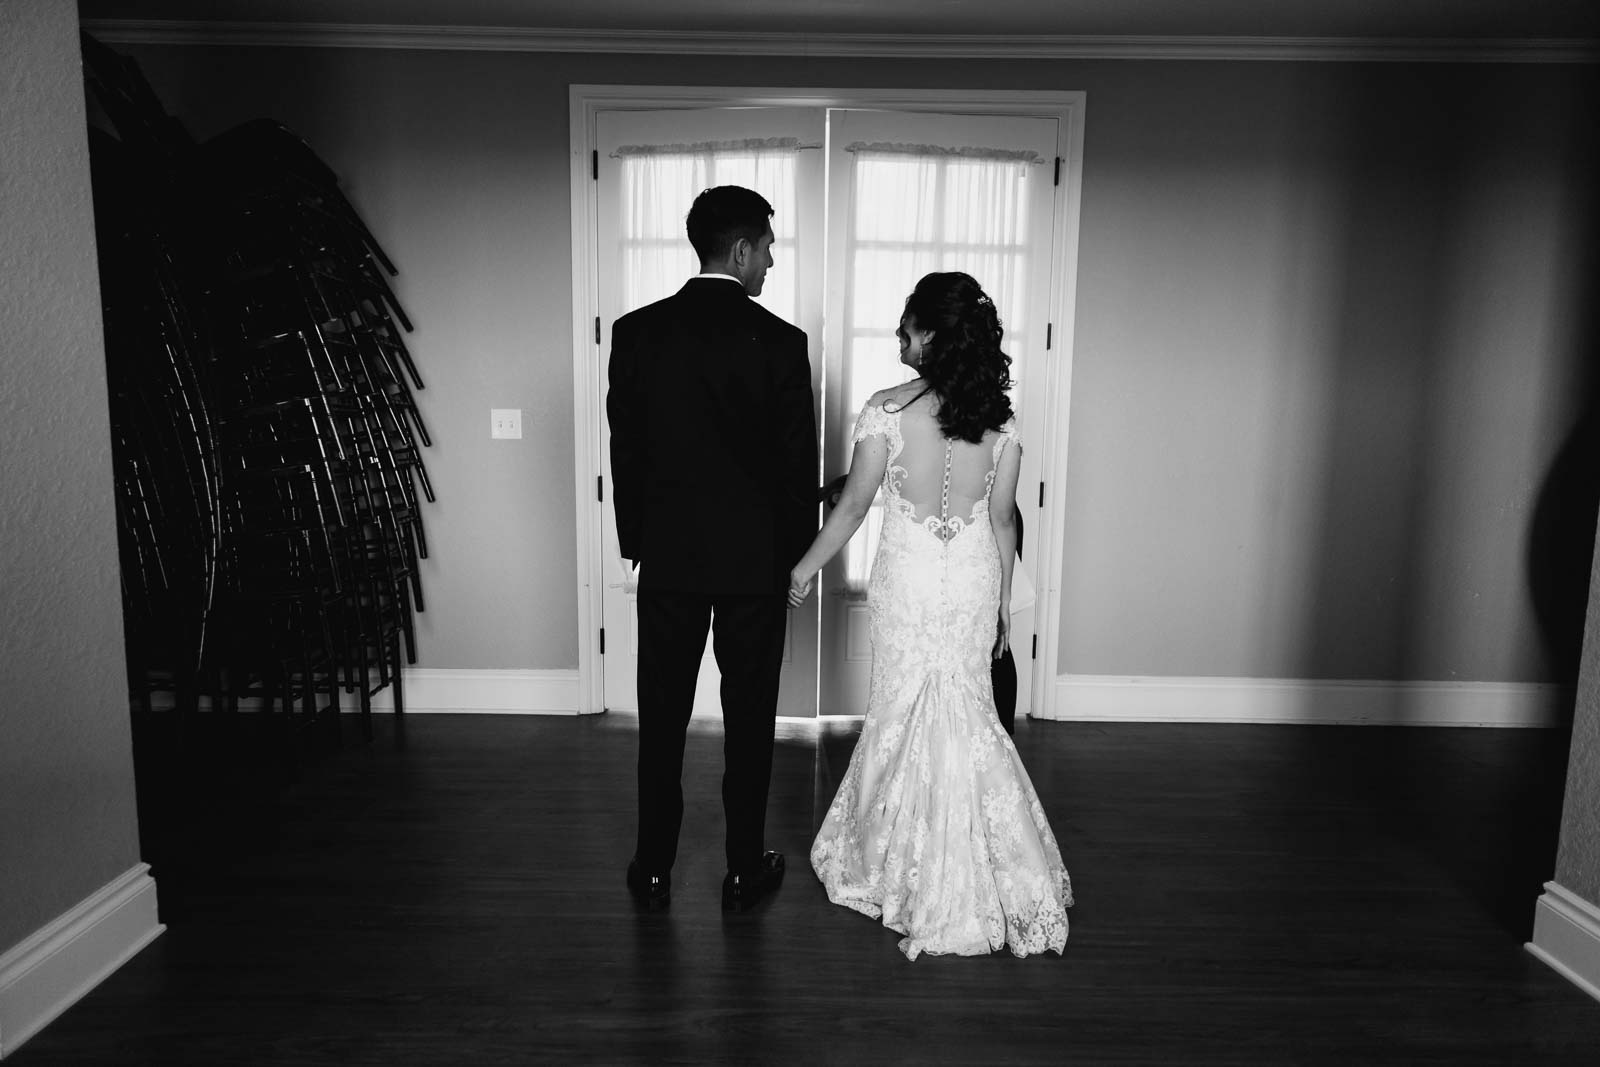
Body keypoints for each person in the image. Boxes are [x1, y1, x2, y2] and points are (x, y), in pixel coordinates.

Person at [789, 271, 1072, 959]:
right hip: (972, 579)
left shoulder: (885, 410)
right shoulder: (1000, 423)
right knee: (970, 714)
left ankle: (902, 865)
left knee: (903, 710)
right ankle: (995, 868)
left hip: (912, 579)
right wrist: (1003, 604)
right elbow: (1002, 522)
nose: (898, 334)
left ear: (933, 336)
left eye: (908, 325)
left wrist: (801, 568)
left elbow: (853, 508)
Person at [608, 186, 818, 912]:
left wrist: (639, 541)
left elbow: (626, 453)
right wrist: (793, 559)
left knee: (660, 718)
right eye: (766, 247)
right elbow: (795, 472)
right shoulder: (783, 344)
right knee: (750, 719)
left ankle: (654, 866)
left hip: (668, 557)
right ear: (739, 249)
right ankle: (741, 868)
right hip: (755, 567)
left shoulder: (638, 334)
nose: (770, 261)